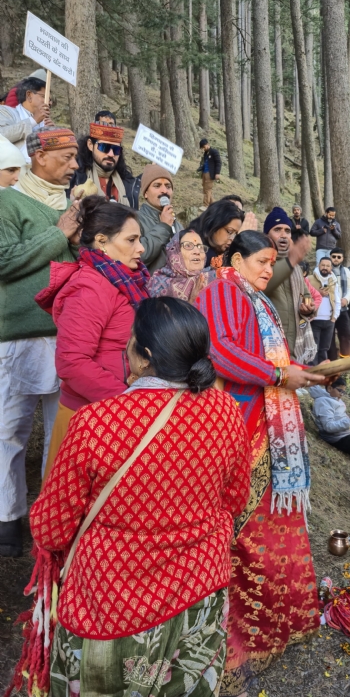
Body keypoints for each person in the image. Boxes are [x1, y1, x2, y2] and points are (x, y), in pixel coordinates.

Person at [27, 297, 250, 697]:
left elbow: (52, 527)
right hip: (197, 598)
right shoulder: (226, 412)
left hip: (111, 607)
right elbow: (234, 501)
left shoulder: (96, 423)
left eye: (129, 342)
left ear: (144, 358)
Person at [196, 231, 325, 696]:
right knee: (248, 531)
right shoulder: (224, 291)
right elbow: (222, 351)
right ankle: (241, 636)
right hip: (241, 428)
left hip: (265, 427)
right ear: (236, 259)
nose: (269, 269)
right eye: (262, 261)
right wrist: (277, 374)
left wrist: (306, 375)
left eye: (273, 262)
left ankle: (273, 622)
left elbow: (270, 358)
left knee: (271, 526)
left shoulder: (255, 297)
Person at [0, 128, 80, 557]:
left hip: (66, 335)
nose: (73, 165)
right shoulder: (7, 201)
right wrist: (58, 234)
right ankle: (7, 516)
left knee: (61, 433)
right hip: (19, 335)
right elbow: (3, 261)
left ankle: (49, 518)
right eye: (66, 157)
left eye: (74, 158)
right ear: (39, 156)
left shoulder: (72, 206)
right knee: (9, 430)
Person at [34, 196, 148, 479]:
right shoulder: (90, 288)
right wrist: (126, 399)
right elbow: (72, 363)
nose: (141, 248)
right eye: (131, 240)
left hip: (114, 413)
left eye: (140, 239)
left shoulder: (122, 280)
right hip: (90, 419)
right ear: (102, 241)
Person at [263, 209, 317, 365]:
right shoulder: (261, 261)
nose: (283, 235)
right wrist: (291, 260)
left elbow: (306, 296)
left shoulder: (295, 267)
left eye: (287, 230)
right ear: (267, 235)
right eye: (277, 230)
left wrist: (309, 307)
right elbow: (264, 286)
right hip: (269, 348)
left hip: (294, 349)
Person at [70, 121, 140, 207]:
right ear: (90, 145)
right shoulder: (74, 177)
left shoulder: (128, 183)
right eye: (104, 147)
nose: (111, 154)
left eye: (116, 149)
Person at [309, 377, 350, 466]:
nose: (341, 394)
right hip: (337, 438)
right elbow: (328, 427)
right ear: (329, 388)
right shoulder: (323, 402)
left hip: (343, 434)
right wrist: (349, 421)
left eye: (343, 392)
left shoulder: (335, 399)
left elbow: (341, 418)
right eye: (340, 391)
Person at [149, 227, 215, 301]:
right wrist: (192, 302)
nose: (197, 251)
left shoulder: (214, 279)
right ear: (175, 252)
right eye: (188, 246)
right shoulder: (158, 285)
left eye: (200, 247)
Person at [138, 163, 183, 273]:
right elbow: (139, 258)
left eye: (168, 186)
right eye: (157, 186)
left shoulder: (177, 225)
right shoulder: (134, 220)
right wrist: (164, 227)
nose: (164, 191)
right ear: (146, 193)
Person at [0, 76, 50, 162]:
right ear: (29, 95)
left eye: (49, 99)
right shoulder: (5, 111)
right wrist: (33, 120)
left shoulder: (45, 121)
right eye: (44, 97)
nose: (48, 102)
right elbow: (2, 135)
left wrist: (52, 133)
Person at [189, 198, 244, 270]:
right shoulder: (196, 251)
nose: (232, 239)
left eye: (236, 234)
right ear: (214, 224)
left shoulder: (217, 250)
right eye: (229, 232)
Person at [306, 256, 341, 364]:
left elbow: (337, 300)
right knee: (313, 348)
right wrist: (318, 293)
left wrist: (334, 317)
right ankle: (313, 374)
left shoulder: (334, 281)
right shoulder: (310, 279)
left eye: (327, 266)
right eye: (323, 265)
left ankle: (322, 375)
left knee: (324, 349)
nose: (325, 268)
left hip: (329, 320)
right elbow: (304, 297)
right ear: (318, 265)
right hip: (314, 319)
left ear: (331, 268)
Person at [328, 247, 350, 359]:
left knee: (346, 334)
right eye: (334, 257)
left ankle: (345, 357)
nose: (336, 259)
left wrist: (346, 299)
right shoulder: (325, 270)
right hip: (329, 309)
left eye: (339, 257)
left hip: (343, 309)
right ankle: (332, 359)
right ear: (330, 257)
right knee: (330, 336)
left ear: (342, 258)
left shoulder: (346, 271)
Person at [197, 137, 222, 206]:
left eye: (204, 147)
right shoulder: (205, 154)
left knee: (208, 189)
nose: (203, 149)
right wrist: (201, 168)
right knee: (205, 189)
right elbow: (205, 163)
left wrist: (217, 173)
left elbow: (218, 162)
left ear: (207, 144)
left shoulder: (214, 152)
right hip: (204, 173)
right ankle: (213, 204)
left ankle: (205, 205)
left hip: (210, 173)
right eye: (202, 148)